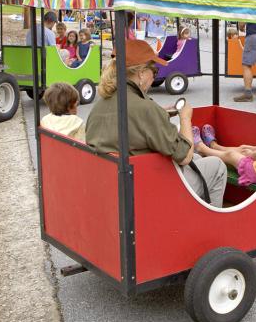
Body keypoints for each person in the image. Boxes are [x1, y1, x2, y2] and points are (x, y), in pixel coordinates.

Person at [85, 43, 227, 206]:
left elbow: (133, 124)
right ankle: (209, 225)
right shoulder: (146, 109)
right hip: (149, 190)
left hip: (118, 186)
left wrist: (159, 114)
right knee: (216, 166)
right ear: (140, 74)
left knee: (198, 157)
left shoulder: (100, 105)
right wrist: (185, 118)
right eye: (154, 71)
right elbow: (185, 156)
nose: (154, 77)